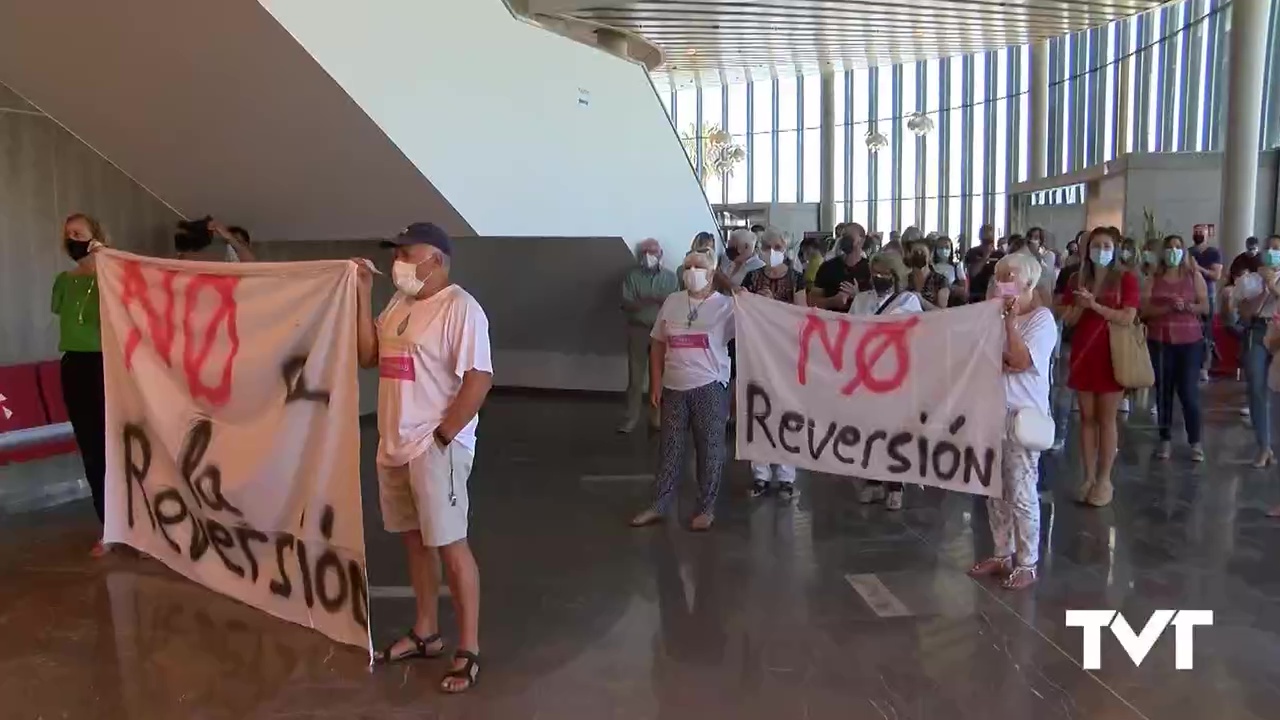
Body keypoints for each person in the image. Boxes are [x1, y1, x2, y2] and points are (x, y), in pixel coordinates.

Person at [357, 222, 491, 693]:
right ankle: (426, 631)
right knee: (414, 541)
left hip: (435, 446)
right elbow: (368, 355)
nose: (399, 262)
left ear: (434, 259)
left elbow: (479, 377)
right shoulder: (398, 303)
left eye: (406, 253)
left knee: (451, 545)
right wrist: (358, 294)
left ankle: (468, 647)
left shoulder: (461, 308)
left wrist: (444, 436)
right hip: (393, 443)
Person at [969, 252, 1057, 591]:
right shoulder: (991, 315)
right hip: (992, 413)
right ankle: (1001, 553)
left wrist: (1008, 323)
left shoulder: (1041, 320)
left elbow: (1020, 359)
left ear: (1029, 283)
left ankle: (1028, 561)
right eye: (1000, 276)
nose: (1002, 282)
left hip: (1022, 416)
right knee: (995, 491)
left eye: (1010, 277)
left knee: (1022, 491)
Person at [631, 251, 734, 531]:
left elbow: (755, 333)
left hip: (709, 386)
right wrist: (654, 383)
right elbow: (657, 344)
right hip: (674, 386)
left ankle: (706, 508)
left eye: (698, 266)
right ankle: (659, 504)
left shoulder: (726, 306)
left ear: (712, 273)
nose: (691, 271)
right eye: (687, 266)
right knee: (670, 449)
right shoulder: (673, 302)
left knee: (709, 450)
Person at [1060, 227, 1139, 508]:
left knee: (1106, 418)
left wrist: (1094, 305)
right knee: (1086, 417)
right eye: (1096, 245)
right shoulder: (1076, 278)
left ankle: (1105, 478)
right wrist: (1081, 305)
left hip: (1112, 353)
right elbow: (1068, 319)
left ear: (1115, 249)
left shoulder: (1126, 279)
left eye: (1106, 245)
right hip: (1084, 352)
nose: (1101, 251)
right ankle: (1089, 476)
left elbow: (1127, 317)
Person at [52, 214, 109, 557]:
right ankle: (108, 527)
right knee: (91, 451)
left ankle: (139, 527)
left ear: (94, 237)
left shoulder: (112, 277)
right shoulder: (63, 280)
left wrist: (104, 262)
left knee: (116, 448)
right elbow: (65, 316)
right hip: (74, 366)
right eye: (67, 234)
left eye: (79, 233)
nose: (72, 238)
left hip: (106, 366)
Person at [849, 252, 922, 510]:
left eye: (885, 274)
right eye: (875, 274)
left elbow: (908, 331)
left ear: (896, 275)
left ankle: (896, 484)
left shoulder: (908, 300)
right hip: (865, 374)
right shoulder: (861, 300)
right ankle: (873, 481)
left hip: (895, 375)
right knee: (869, 428)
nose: (879, 278)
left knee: (894, 430)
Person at [741, 229, 807, 501]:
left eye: (777, 246)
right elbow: (743, 310)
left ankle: (786, 476)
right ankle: (760, 474)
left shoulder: (796, 279)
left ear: (786, 248)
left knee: (787, 412)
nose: (772, 250)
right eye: (767, 246)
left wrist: (772, 305)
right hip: (757, 353)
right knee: (758, 411)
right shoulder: (752, 277)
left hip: (787, 354)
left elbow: (801, 316)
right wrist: (754, 301)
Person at [1141, 235, 1209, 462]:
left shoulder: (1193, 276)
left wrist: (1187, 306)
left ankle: (1195, 441)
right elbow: (1144, 310)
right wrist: (1166, 307)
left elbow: (1205, 306)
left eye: (1178, 248)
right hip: (1160, 341)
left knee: (1189, 393)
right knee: (1163, 393)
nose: (1174, 251)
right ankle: (1165, 438)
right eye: (1169, 248)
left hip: (1190, 342)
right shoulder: (1154, 277)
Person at [619, 238, 679, 434]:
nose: (648, 256)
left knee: (661, 377)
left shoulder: (671, 278)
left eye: (652, 252)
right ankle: (631, 419)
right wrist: (652, 300)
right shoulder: (631, 276)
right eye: (644, 252)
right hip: (638, 330)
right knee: (635, 378)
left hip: (662, 332)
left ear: (660, 254)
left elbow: (674, 305)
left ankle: (657, 420)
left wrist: (644, 300)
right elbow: (627, 304)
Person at [1236, 235, 1280, 467]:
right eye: (1271, 248)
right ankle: (1264, 445)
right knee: (1256, 388)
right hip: (1257, 331)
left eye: (1278, 249)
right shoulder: (1250, 280)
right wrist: (1264, 289)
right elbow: (1244, 314)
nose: (1274, 252)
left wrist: (1275, 287)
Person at [812, 222, 872, 311]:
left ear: (861, 241)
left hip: (859, 322)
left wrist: (858, 296)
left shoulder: (870, 269)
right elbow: (812, 301)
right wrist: (832, 301)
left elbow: (876, 305)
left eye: (849, 237)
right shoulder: (828, 267)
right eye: (843, 236)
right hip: (831, 321)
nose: (845, 240)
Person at [1189, 227, 1223, 381]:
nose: (1198, 234)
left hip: (1207, 294)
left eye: (1201, 232)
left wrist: (1199, 269)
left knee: (1207, 331)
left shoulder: (1213, 253)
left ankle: (1205, 367)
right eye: (1196, 232)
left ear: (1208, 235)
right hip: (1190, 294)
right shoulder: (1188, 251)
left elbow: (1216, 275)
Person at [174, 218, 256, 261]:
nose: (232, 245)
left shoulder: (246, 263)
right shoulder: (219, 255)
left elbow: (250, 261)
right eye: (228, 243)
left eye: (238, 241)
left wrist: (229, 237)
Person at [904, 237, 950, 310]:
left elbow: (942, 311)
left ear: (930, 256)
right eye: (915, 252)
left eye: (922, 252)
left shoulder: (941, 280)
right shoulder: (906, 279)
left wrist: (921, 300)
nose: (918, 255)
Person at [965, 224, 1000, 303]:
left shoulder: (1000, 254)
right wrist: (985, 256)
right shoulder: (972, 252)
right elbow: (972, 273)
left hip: (994, 295)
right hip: (976, 295)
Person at [932, 235, 967, 304]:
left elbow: (964, 290)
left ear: (951, 250)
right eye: (941, 248)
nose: (944, 250)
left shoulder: (957, 266)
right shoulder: (931, 266)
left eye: (947, 247)